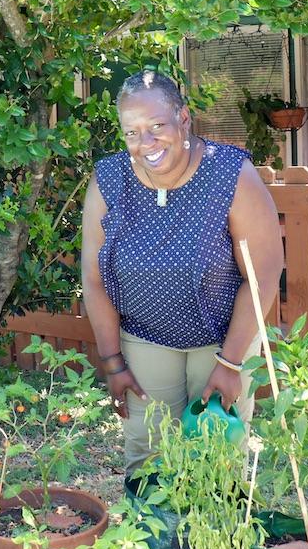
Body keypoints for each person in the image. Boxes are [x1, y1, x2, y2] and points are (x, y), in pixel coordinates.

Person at [80, 70, 284, 474]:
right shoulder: (109, 179)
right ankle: (152, 539)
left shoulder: (229, 174)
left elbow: (263, 274)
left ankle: (218, 538)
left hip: (224, 339)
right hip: (144, 338)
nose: (146, 143)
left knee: (217, 458)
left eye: (157, 126)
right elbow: (94, 278)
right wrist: (113, 363)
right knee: (148, 457)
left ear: (184, 119)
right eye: (132, 132)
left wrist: (231, 365)